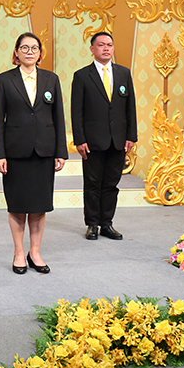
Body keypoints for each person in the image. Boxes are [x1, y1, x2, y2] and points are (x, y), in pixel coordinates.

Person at [0, 33, 68, 274]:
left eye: (34, 48)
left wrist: (60, 152)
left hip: (44, 151)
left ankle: (35, 252)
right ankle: (18, 252)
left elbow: (58, 117)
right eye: (24, 47)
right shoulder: (3, 80)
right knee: (17, 205)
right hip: (15, 152)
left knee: (39, 206)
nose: (29, 51)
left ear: (40, 53)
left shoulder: (51, 79)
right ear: (16, 52)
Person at [71, 31, 137, 241]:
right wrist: (79, 139)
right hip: (92, 141)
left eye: (109, 44)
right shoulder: (82, 75)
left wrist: (131, 136)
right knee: (92, 184)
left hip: (118, 140)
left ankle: (107, 223)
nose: (106, 48)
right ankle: (92, 224)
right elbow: (76, 110)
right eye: (101, 45)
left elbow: (130, 107)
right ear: (92, 49)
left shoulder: (124, 74)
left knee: (111, 184)